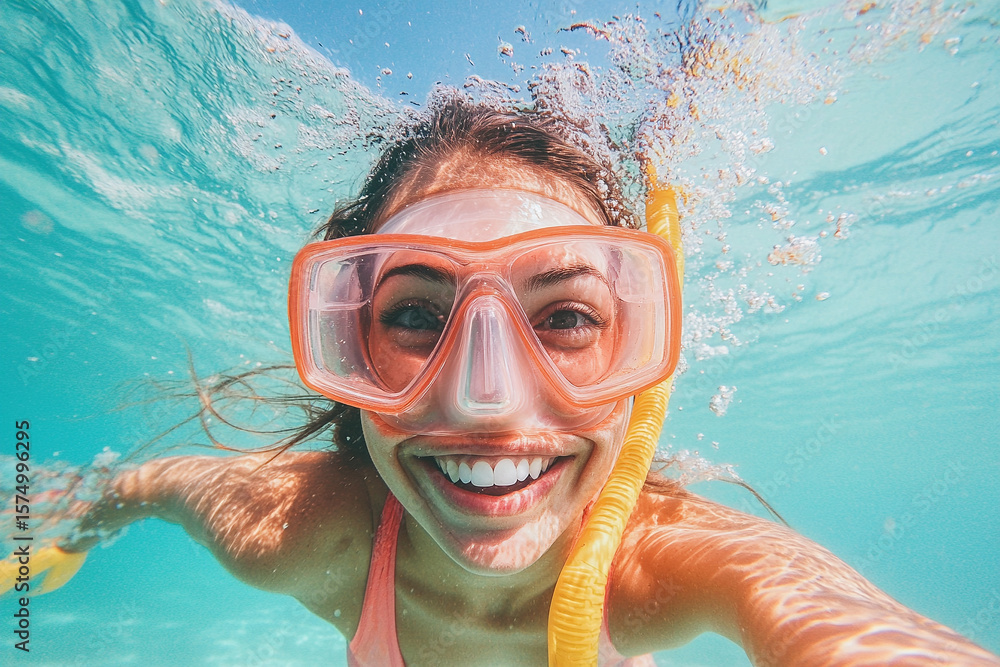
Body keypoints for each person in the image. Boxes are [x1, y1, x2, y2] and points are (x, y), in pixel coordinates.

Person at [6, 99, 999, 666]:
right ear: (350, 347)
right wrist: (64, 518)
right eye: (412, 317)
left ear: (639, 365)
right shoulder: (299, 533)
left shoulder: (661, 564)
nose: (487, 400)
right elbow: (150, 484)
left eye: (565, 318)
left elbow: (844, 632)